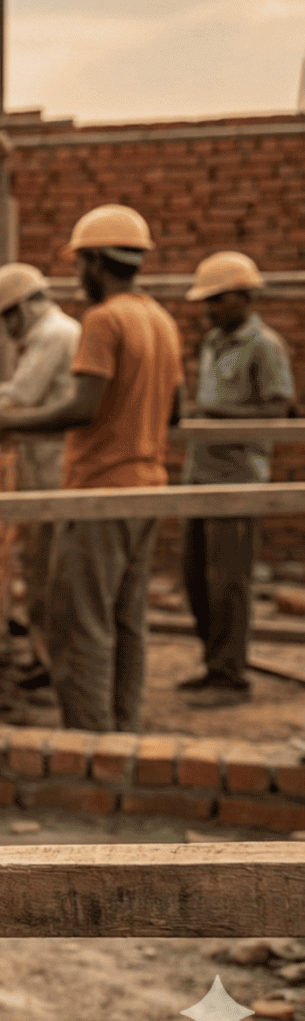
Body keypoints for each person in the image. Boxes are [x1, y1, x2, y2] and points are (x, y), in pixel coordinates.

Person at [0, 203, 183, 731]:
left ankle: (89, 740)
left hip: (102, 490)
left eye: (81, 265)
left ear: (97, 263)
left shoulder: (104, 321)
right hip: (150, 489)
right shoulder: (161, 320)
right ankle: (123, 728)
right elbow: (175, 411)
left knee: (81, 624)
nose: (77, 278)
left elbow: (83, 408)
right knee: (127, 620)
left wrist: (1, 421)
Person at [179, 251, 293, 704]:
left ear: (244, 297)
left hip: (238, 479)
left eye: (217, 300)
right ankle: (213, 665)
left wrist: (211, 415)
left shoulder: (265, 346)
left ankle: (231, 677)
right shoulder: (212, 343)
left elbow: (279, 409)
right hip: (200, 475)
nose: (209, 309)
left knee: (229, 581)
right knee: (195, 579)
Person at [0, 263, 81, 680]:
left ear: (23, 307)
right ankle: (46, 654)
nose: (5, 328)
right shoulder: (55, 334)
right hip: (49, 468)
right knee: (43, 567)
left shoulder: (53, 336)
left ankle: (50, 661)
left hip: (55, 471)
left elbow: (18, 400)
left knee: (47, 570)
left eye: (6, 317)